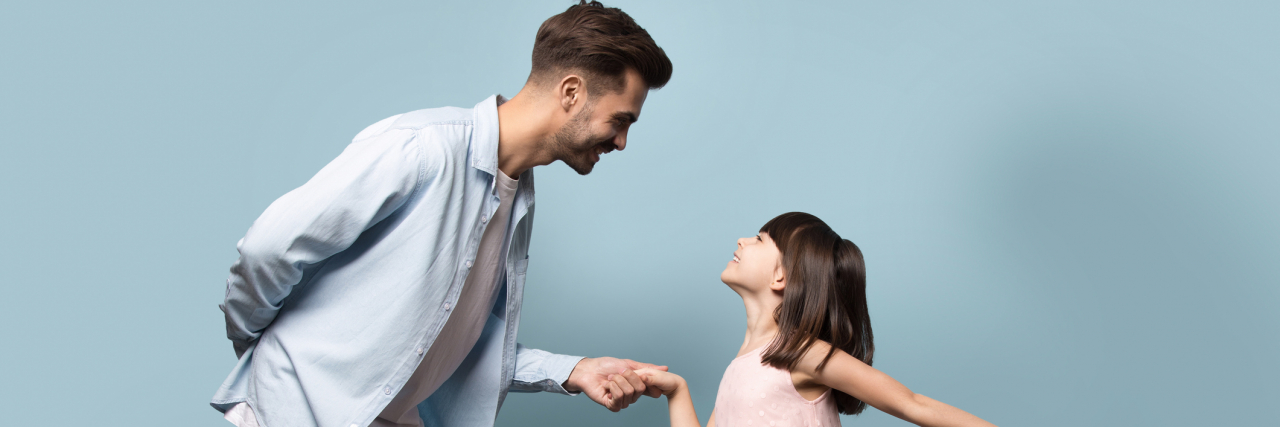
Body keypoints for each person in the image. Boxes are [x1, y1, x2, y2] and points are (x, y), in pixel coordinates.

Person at [209, 2, 673, 427]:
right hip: (295, 412)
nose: (621, 142)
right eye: (621, 120)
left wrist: (573, 371)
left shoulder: (518, 198)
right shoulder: (422, 148)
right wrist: (259, 346)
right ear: (571, 91)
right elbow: (269, 247)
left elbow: (457, 342)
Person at [635, 212, 997, 427]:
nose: (742, 240)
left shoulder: (801, 352)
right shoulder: (741, 367)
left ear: (782, 276)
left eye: (760, 239)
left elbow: (910, 403)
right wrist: (677, 391)